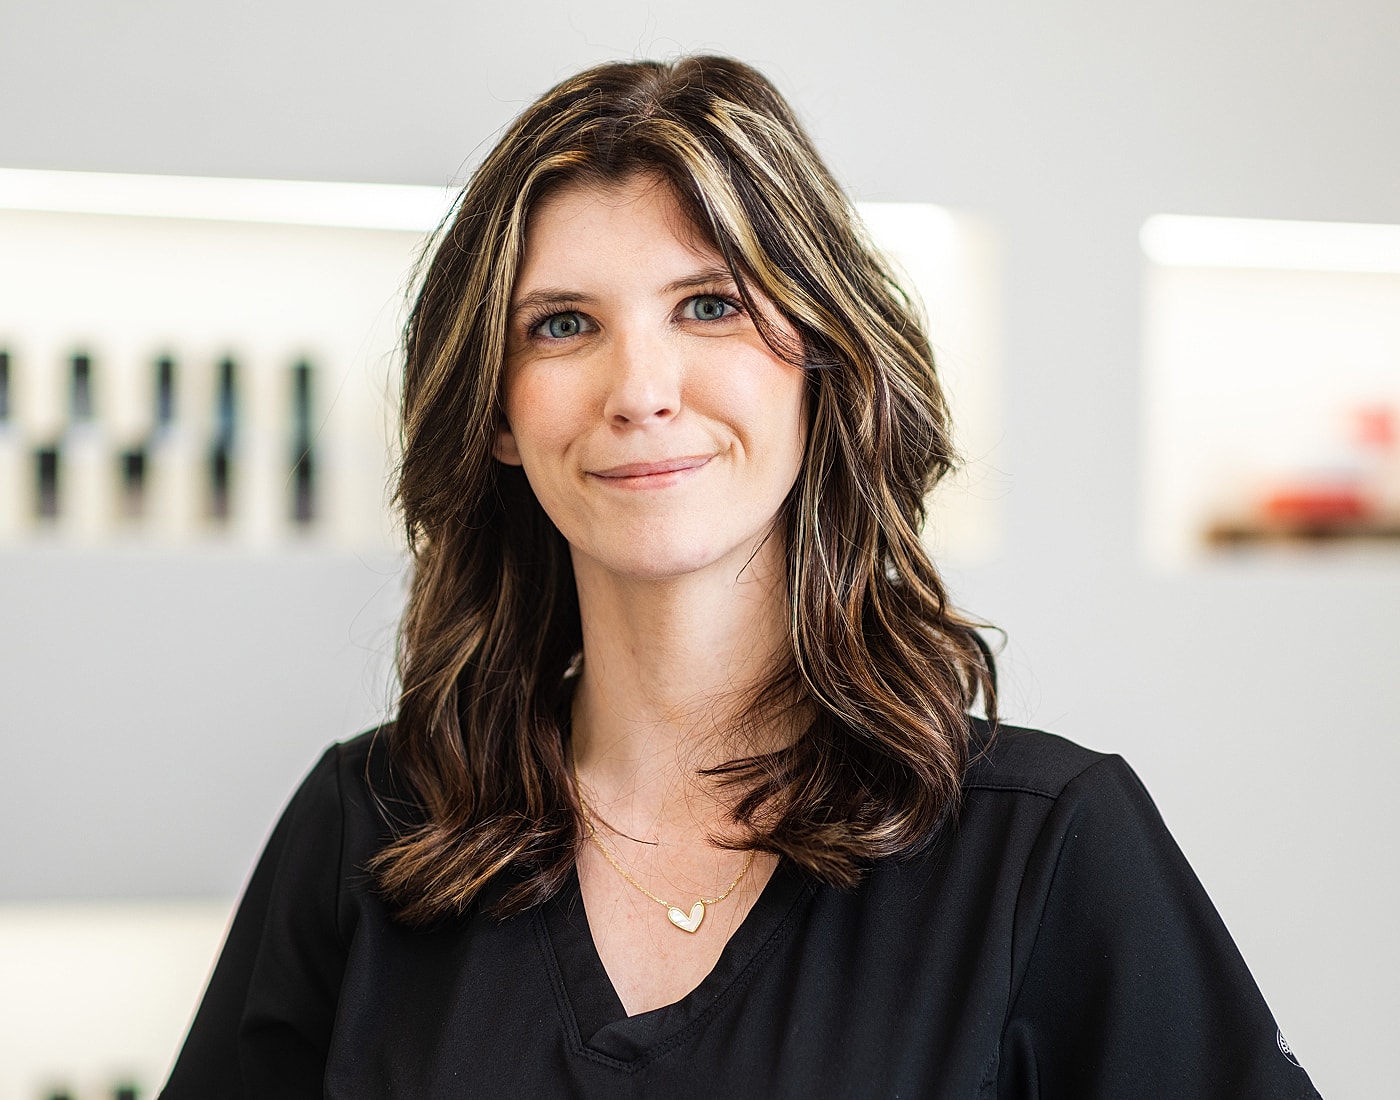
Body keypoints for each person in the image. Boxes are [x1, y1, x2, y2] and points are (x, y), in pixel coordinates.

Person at [160, 55, 1321, 1098]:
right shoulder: (368, 828)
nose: (640, 387)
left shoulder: (1040, 849)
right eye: (561, 325)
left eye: (708, 305)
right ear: (497, 414)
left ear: (821, 361)